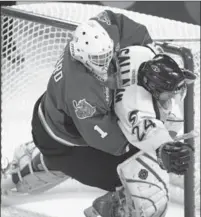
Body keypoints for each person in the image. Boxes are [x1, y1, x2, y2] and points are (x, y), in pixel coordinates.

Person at [2, 10, 195, 217]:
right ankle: (100, 201)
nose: (106, 64)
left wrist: (149, 54)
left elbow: (120, 23)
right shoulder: (81, 94)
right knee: (147, 190)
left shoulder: (96, 35)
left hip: (57, 118)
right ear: (81, 56)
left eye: (107, 56)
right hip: (64, 143)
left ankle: (37, 161)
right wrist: (156, 144)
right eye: (99, 60)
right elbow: (113, 143)